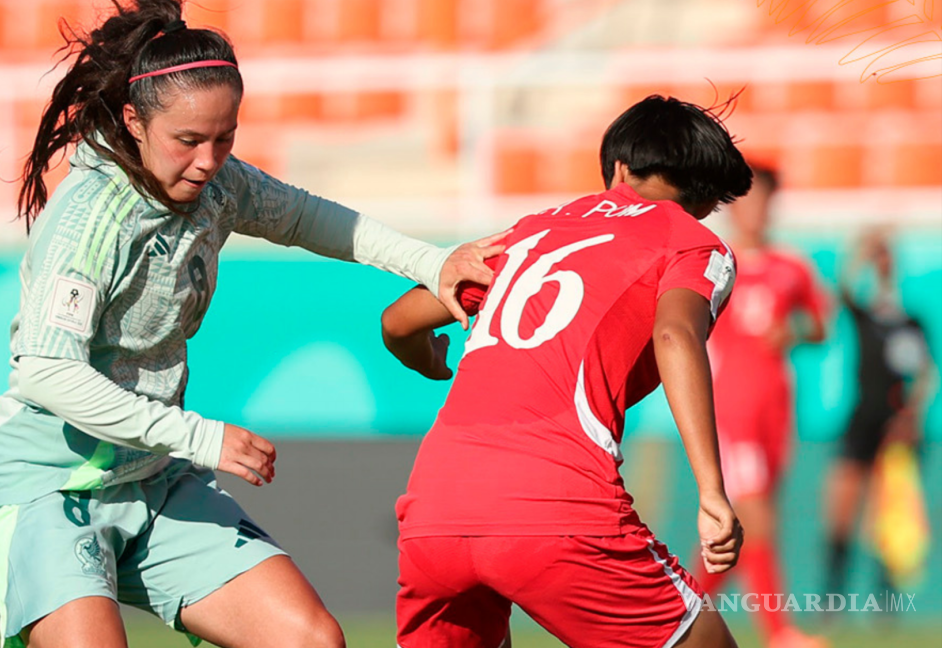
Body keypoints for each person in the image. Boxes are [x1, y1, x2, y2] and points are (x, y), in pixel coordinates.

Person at [0, 2, 503, 647]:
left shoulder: (218, 186)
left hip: (153, 477)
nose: (208, 160)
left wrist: (434, 261)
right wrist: (198, 437)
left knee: (310, 639)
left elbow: (310, 218)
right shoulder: (90, 216)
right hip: (50, 487)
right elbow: (48, 369)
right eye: (188, 140)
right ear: (135, 122)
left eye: (224, 138)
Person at [381, 95, 751, 648]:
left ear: (619, 168)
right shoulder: (693, 241)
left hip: (434, 506)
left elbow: (396, 321)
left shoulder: (530, 232)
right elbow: (675, 334)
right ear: (705, 195)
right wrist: (712, 489)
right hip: (556, 502)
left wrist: (428, 361)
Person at [695, 162, 830, 648]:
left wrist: (792, 332)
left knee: (742, 526)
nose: (754, 209)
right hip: (730, 407)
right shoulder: (709, 262)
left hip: (775, 406)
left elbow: (819, 324)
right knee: (754, 518)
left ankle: (678, 616)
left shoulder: (790, 265)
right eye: (745, 200)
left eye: (763, 199)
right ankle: (779, 633)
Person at [824, 228, 936, 598]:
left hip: (893, 427)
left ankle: (885, 601)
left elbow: (925, 374)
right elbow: (843, 290)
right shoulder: (865, 316)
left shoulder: (908, 323)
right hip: (862, 420)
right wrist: (863, 252)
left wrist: (911, 416)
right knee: (842, 509)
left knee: (886, 515)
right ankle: (832, 596)